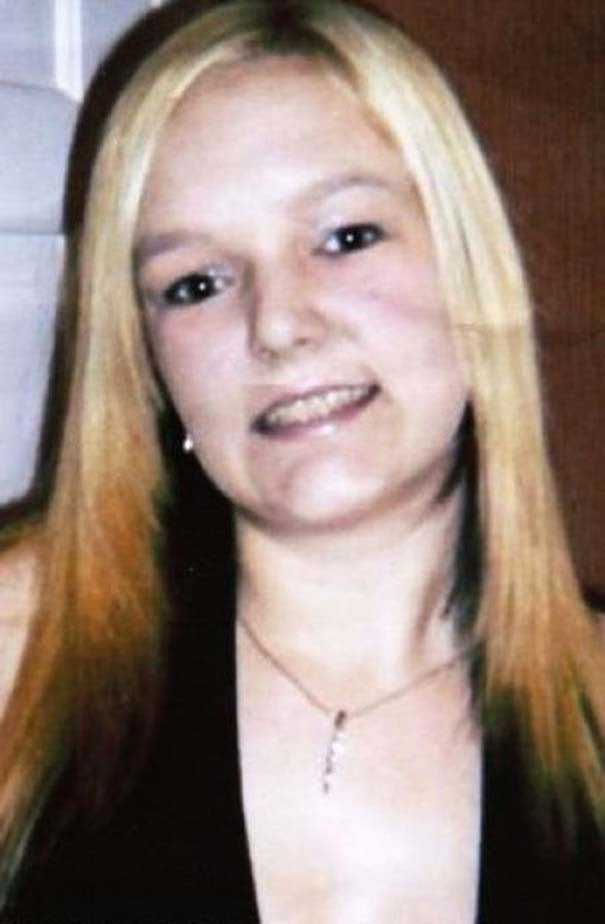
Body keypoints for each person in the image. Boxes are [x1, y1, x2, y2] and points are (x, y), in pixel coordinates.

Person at [0, 0, 604, 920]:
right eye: (195, 284)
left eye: (345, 238)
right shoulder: (19, 654)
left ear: (469, 265)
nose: (277, 324)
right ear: (148, 362)